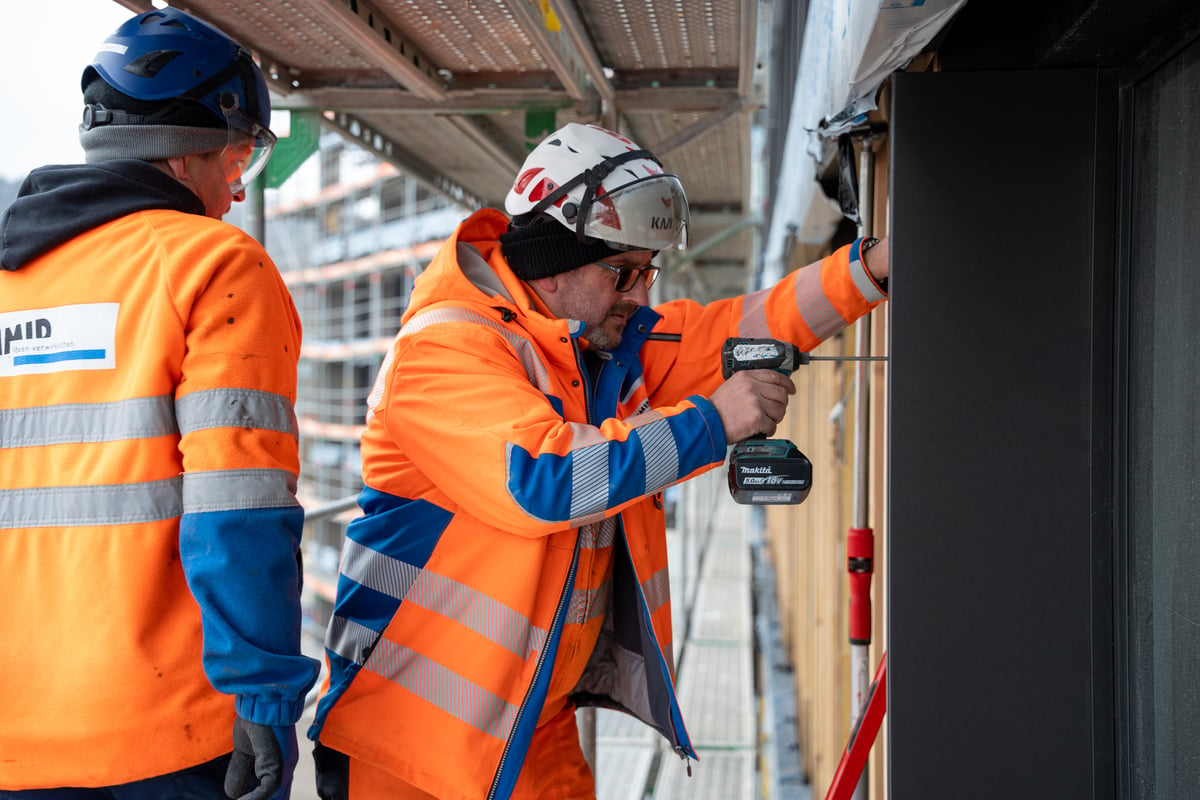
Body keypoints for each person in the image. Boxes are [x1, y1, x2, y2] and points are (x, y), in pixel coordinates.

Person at [307, 122, 889, 799]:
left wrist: (867, 268)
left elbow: (739, 331)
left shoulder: (591, 352)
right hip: (412, 746)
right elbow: (544, 478)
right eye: (624, 272)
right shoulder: (441, 353)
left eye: (648, 271)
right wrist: (712, 422)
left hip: (529, 719)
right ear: (552, 263)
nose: (641, 294)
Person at [0, 8, 318, 800]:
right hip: (161, 736)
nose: (238, 188)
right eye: (238, 155)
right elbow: (239, 508)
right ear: (187, 154)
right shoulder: (214, 263)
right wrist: (265, 692)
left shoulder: (11, 278)